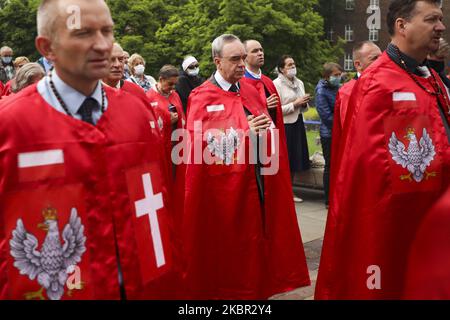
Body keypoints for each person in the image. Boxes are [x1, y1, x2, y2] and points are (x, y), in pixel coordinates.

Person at [0, 0, 178, 300]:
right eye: (83, 33)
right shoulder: (12, 124)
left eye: (107, 31)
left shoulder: (136, 113)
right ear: (47, 47)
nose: (102, 45)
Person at [316, 0, 450, 299]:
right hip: (400, 229)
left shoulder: (432, 79)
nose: (440, 27)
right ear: (402, 26)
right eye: (431, 19)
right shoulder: (377, 86)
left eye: (441, 19)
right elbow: (365, 180)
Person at [181, 34, 310, 299]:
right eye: (235, 59)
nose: (242, 64)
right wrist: (243, 132)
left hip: (260, 180)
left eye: (243, 57)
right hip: (226, 191)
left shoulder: (252, 90)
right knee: (233, 249)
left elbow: (267, 130)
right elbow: (197, 147)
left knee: (259, 243)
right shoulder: (201, 96)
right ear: (218, 62)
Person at [273, 55, 312, 203]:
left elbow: (303, 107)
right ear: (282, 69)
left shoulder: (299, 82)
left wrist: (303, 103)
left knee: (296, 158)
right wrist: (295, 104)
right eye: (289, 65)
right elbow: (276, 109)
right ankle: (284, 191)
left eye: (293, 64)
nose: (292, 67)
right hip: (285, 125)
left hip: (298, 122)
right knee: (286, 159)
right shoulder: (276, 84)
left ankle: (290, 189)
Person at [147, 64, 186, 174]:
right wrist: (166, 120)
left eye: (175, 84)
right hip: (161, 147)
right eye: (170, 84)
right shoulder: (148, 97)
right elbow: (147, 125)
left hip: (177, 144)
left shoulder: (175, 95)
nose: (173, 87)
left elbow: (182, 116)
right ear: (161, 79)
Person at [334, 41, 382, 130]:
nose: (381, 62)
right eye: (374, 58)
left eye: (381, 57)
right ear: (358, 65)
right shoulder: (348, 91)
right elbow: (348, 127)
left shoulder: (384, 85)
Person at [315, 62, 343, 208]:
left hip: (339, 132)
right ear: (326, 76)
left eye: (339, 75)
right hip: (329, 134)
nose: (338, 78)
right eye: (335, 75)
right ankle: (329, 199)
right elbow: (326, 116)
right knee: (330, 165)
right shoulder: (321, 91)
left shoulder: (339, 87)